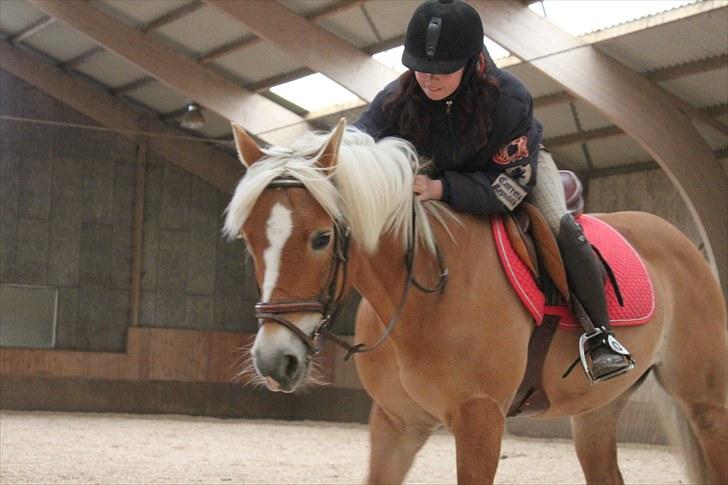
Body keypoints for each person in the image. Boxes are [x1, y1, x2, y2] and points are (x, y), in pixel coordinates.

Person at [354, 0, 633, 383]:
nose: (429, 80)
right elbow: (358, 139)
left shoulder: (509, 100)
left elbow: (509, 188)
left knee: (559, 226)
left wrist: (441, 187)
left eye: (442, 71)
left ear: (470, 64)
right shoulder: (398, 96)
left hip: (512, 171)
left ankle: (600, 336)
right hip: (438, 178)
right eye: (420, 68)